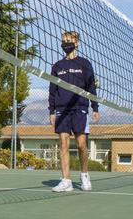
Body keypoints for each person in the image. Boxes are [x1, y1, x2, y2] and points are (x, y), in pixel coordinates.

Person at [48, 30, 100, 192]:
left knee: (81, 145)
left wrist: (95, 107)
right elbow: (52, 90)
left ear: (77, 43)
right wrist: (51, 111)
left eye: (69, 40)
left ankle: (84, 175)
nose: (66, 43)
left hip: (80, 109)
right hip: (61, 111)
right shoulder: (57, 66)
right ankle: (66, 180)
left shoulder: (84, 64)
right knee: (63, 144)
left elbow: (91, 87)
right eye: (63, 40)